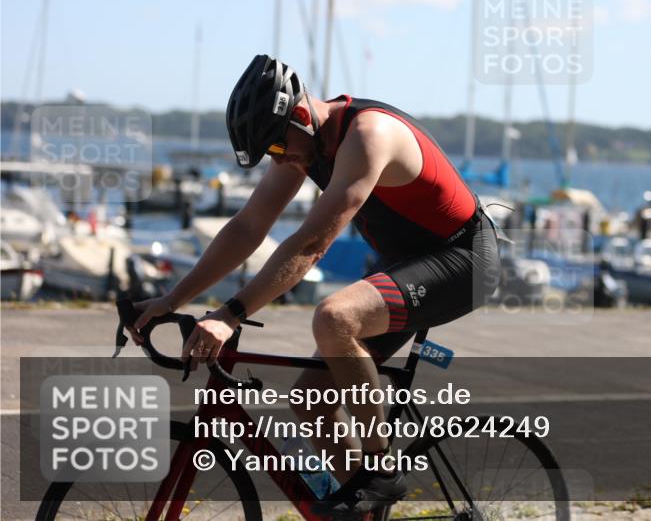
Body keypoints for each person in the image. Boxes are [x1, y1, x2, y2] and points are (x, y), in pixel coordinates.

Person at [128, 55, 501, 512]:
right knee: (310, 401)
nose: (278, 160)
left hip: (463, 260)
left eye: (278, 149)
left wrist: (231, 314)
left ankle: (379, 472)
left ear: (301, 115)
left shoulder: (369, 136)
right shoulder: (300, 143)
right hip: (404, 264)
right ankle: (363, 509)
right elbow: (249, 227)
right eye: (271, 155)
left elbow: (310, 245)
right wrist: (171, 299)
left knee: (335, 317)